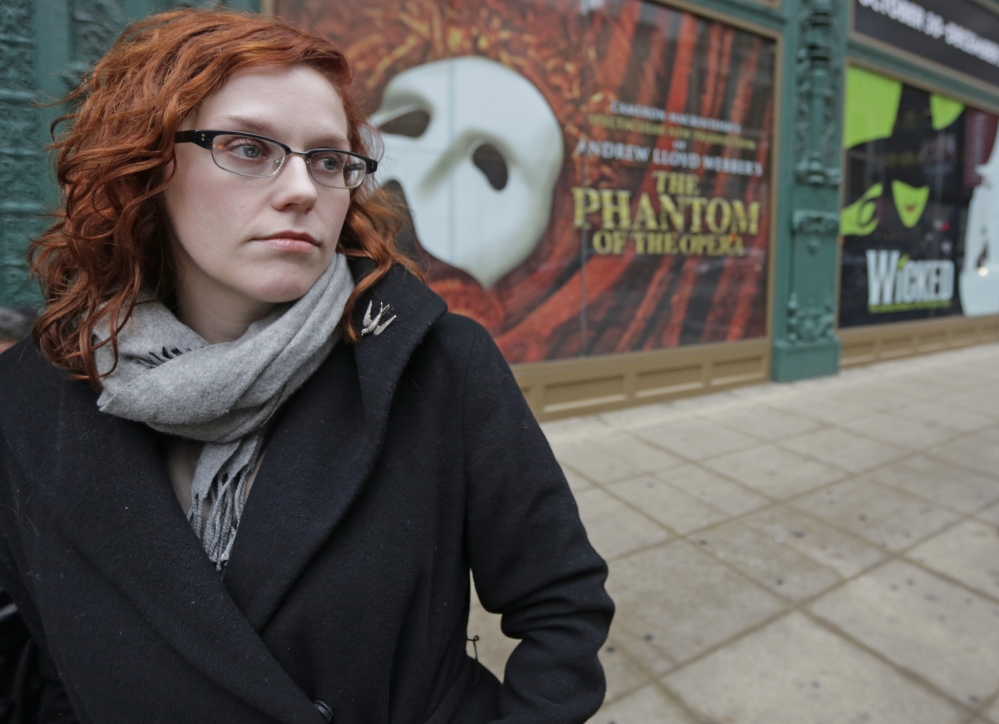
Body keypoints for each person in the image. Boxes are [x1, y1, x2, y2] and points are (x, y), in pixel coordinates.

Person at [0, 9, 613, 724]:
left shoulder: (435, 365)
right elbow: (38, 652)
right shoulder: (32, 400)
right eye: (248, 148)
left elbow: (561, 603)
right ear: (145, 166)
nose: (301, 189)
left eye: (328, 160)